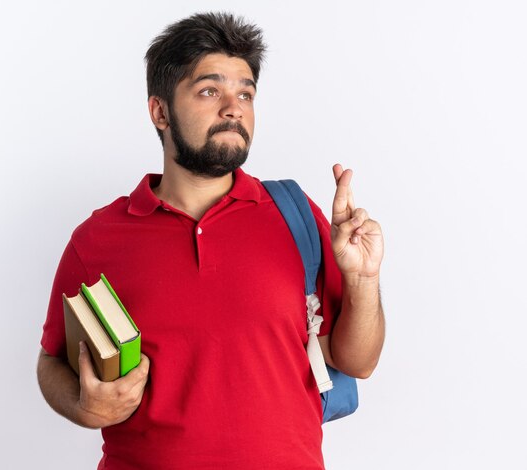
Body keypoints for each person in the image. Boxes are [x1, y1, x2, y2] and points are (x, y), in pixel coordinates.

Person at [37, 12, 385, 470]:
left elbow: (357, 362)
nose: (233, 107)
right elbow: (51, 363)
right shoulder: (98, 239)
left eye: (245, 93)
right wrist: (84, 406)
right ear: (160, 111)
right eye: (209, 90)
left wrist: (362, 278)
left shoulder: (294, 213)